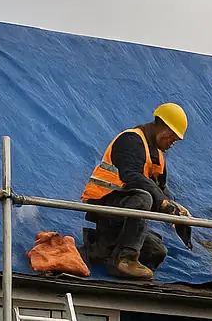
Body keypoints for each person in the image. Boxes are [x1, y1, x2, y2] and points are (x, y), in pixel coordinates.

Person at [79, 103, 192, 280]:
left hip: (126, 211)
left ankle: (105, 252)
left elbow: (159, 191)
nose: (173, 143)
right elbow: (131, 176)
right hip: (105, 204)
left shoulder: (157, 158)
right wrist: (162, 202)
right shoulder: (131, 140)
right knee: (143, 197)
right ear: (164, 129)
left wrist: (175, 209)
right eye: (173, 138)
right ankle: (126, 259)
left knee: (157, 251)